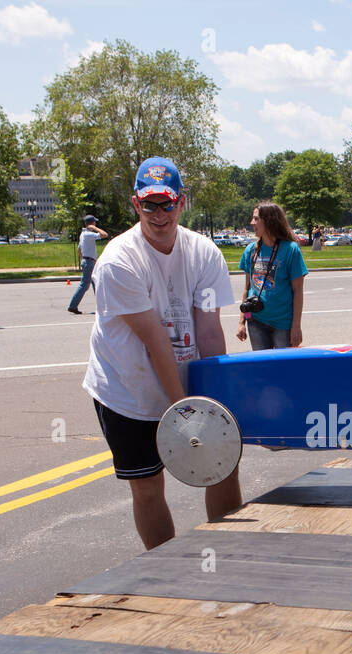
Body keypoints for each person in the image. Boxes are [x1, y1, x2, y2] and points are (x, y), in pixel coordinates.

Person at [82, 156, 241, 549]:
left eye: (166, 203)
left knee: (222, 467)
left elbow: (207, 330)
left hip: (184, 380)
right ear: (136, 204)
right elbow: (154, 341)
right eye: (148, 204)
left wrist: (213, 406)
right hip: (126, 390)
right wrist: (186, 413)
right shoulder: (119, 261)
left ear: (181, 202)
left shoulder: (204, 254)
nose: (158, 214)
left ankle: (227, 555)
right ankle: (167, 570)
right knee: (149, 487)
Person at [236, 202, 307, 350]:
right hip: (256, 321)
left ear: (268, 221)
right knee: (262, 367)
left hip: (282, 323)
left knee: (283, 368)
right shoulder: (251, 250)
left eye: (256, 219)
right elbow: (247, 288)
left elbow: (298, 291)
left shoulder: (290, 250)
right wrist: (241, 322)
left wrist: (296, 326)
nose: (251, 223)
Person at [68, 215, 108, 314]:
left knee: (95, 283)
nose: (95, 224)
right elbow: (104, 234)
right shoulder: (88, 234)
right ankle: (72, 306)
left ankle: (101, 306)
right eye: (94, 223)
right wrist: (95, 228)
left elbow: (79, 249)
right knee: (85, 285)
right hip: (89, 261)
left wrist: (83, 260)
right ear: (91, 223)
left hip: (88, 261)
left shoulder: (83, 234)